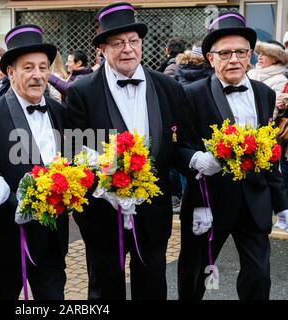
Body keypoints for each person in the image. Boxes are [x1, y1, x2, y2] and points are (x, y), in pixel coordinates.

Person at [66, 2, 193, 300]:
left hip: (153, 215)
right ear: (102, 49)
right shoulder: (82, 92)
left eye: (133, 41)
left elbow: (180, 146)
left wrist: (196, 160)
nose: (127, 49)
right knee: (104, 289)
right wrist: (103, 178)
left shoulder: (169, 88)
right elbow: (72, 151)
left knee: (152, 287)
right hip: (103, 214)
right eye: (118, 43)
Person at [177, 12, 288, 300]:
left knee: (259, 277)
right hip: (209, 203)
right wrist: (195, 159)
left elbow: (270, 153)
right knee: (195, 274)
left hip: (254, 199)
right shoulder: (191, 94)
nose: (234, 59)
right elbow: (178, 147)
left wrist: (282, 203)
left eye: (241, 52)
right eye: (225, 53)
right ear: (210, 58)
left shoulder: (264, 93)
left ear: (251, 55)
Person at [0, 24, 68, 300]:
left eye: (43, 68)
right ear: (10, 72)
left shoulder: (58, 110)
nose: (38, 75)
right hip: (3, 244)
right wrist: (13, 203)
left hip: (51, 242)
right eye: (28, 67)